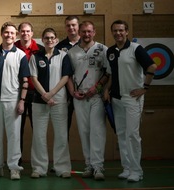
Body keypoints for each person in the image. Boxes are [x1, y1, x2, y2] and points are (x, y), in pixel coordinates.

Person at [104, 20, 156, 182]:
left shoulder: (136, 49)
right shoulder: (111, 51)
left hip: (133, 98)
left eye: (121, 30)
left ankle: (136, 171)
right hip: (117, 98)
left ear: (126, 32)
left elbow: (152, 67)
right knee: (121, 134)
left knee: (132, 135)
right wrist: (107, 89)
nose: (118, 33)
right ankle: (127, 168)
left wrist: (144, 88)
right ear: (112, 32)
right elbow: (112, 73)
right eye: (115, 30)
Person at [0, 22, 30, 180]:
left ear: (16, 35)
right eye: (7, 32)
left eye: (12, 33)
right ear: (1, 34)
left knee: (14, 135)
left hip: (13, 100)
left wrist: (22, 101)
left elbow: (25, 80)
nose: (9, 35)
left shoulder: (20, 55)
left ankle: (14, 168)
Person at [67, 21, 110, 180]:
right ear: (79, 32)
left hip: (96, 97)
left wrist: (97, 88)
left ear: (94, 32)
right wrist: (73, 92)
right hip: (79, 98)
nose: (86, 34)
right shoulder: (72, 52)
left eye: (89, 31)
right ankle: (89, 165)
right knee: (84, 132)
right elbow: (68, 76)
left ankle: (99, 167)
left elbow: (108, 74)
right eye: (83, 31)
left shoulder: (103, 49)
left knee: (97, 131)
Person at [29, 28, 72, 178]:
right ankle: (39, 168)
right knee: (39, 136)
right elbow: (33, 78)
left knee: (61, 135)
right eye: (46, 38)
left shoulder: (64, 56)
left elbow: (65, 77)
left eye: (52, 38)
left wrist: (52, 94)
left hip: (58, 101)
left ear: (56, 40)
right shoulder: (35, 57)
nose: (49, 40)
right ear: (42, 39)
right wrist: (45, 96)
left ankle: (62, 168)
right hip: (39, 101)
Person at [14, 22, 43, 165]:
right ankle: (17, 161)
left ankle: (37, 162)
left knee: (37, 128)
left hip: (36, 94)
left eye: (28, 31)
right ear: (19, 33)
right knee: (17, 129)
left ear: (32, 33)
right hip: (17, 94)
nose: (25, 34)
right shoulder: (12, 48)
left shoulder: (41, 50)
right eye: (22, 31)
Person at [56, 15, 80, 140]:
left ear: (78, 26)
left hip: (86, 91)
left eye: (73, 25)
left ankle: (93, 159)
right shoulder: (59, 47)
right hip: (65, 93)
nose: (71, 28)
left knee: (89, 126)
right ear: (65, 28)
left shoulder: (88, 43)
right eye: (68, 25)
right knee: (64, 128)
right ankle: (63, 159)